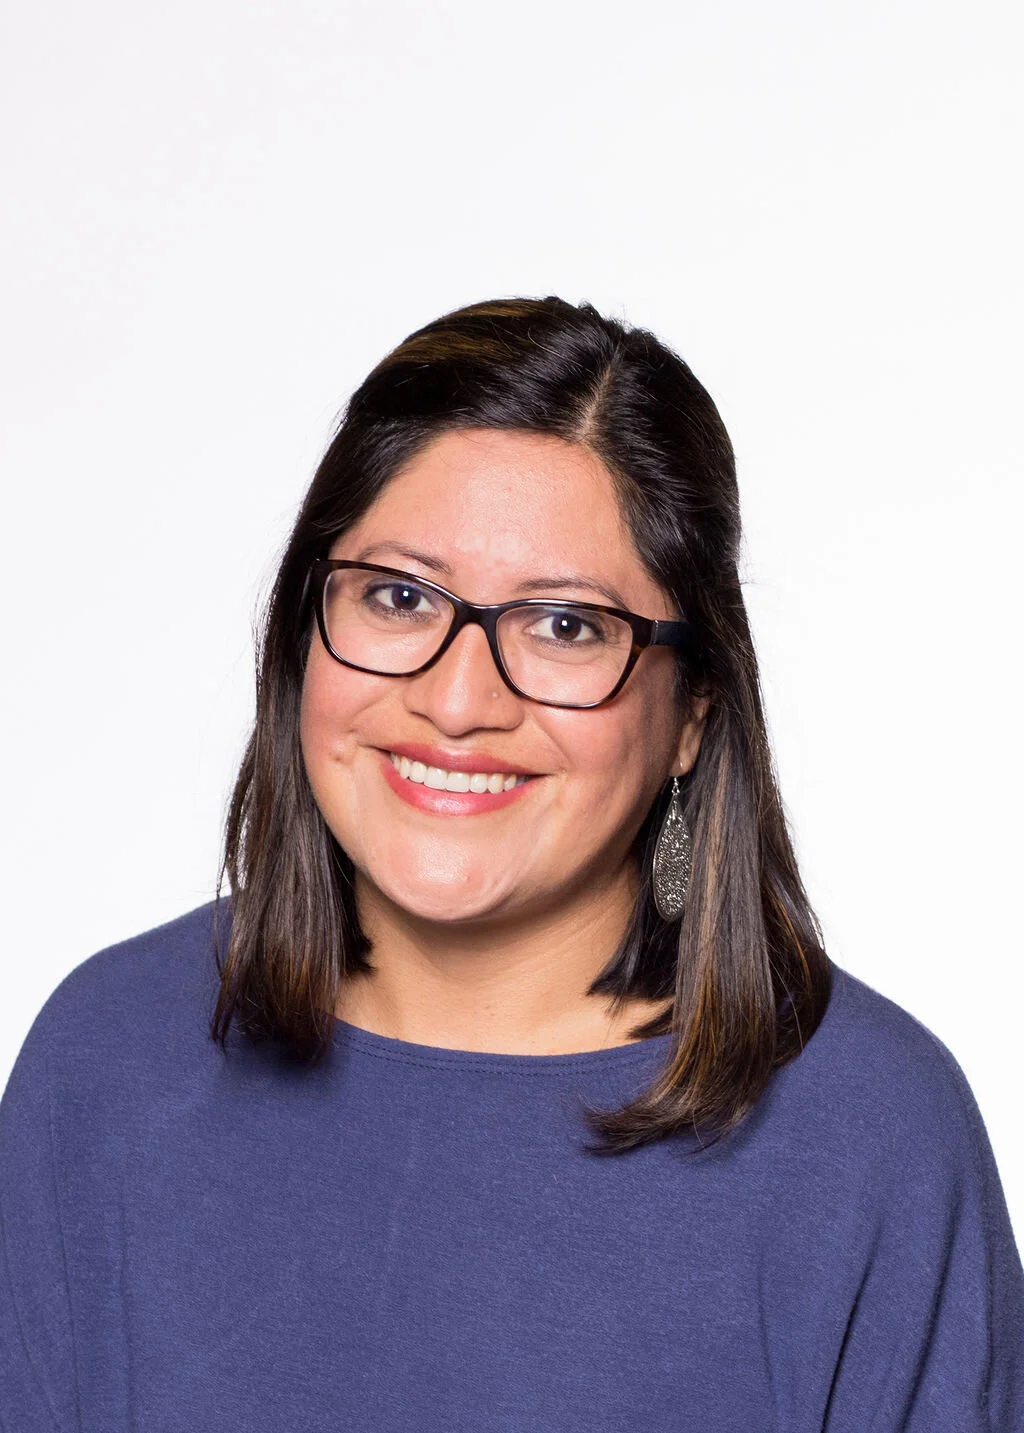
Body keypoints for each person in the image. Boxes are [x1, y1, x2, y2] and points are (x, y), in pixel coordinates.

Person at [1, 296, 1021, 1432]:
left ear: (692, 709)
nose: (456, 701)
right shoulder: (107, 1061)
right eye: (398, 597)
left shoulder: (867, 1134)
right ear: (301, 628)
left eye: (565, 625)